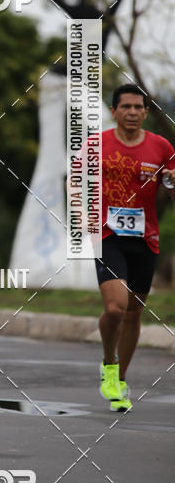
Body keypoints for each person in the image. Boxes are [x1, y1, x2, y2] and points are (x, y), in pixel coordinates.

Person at [94, 84, 175, 411]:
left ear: (144, 112)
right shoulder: (96, 144)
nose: (131, 112)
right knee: (115, 307)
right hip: (106, 234)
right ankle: (108, 363)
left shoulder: (162, 148)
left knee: (134, 311)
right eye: (125, 106)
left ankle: (119, 379)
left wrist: (170, 183)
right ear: (114, 111)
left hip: (145, 238)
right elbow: (75, 182)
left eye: (137, 107)